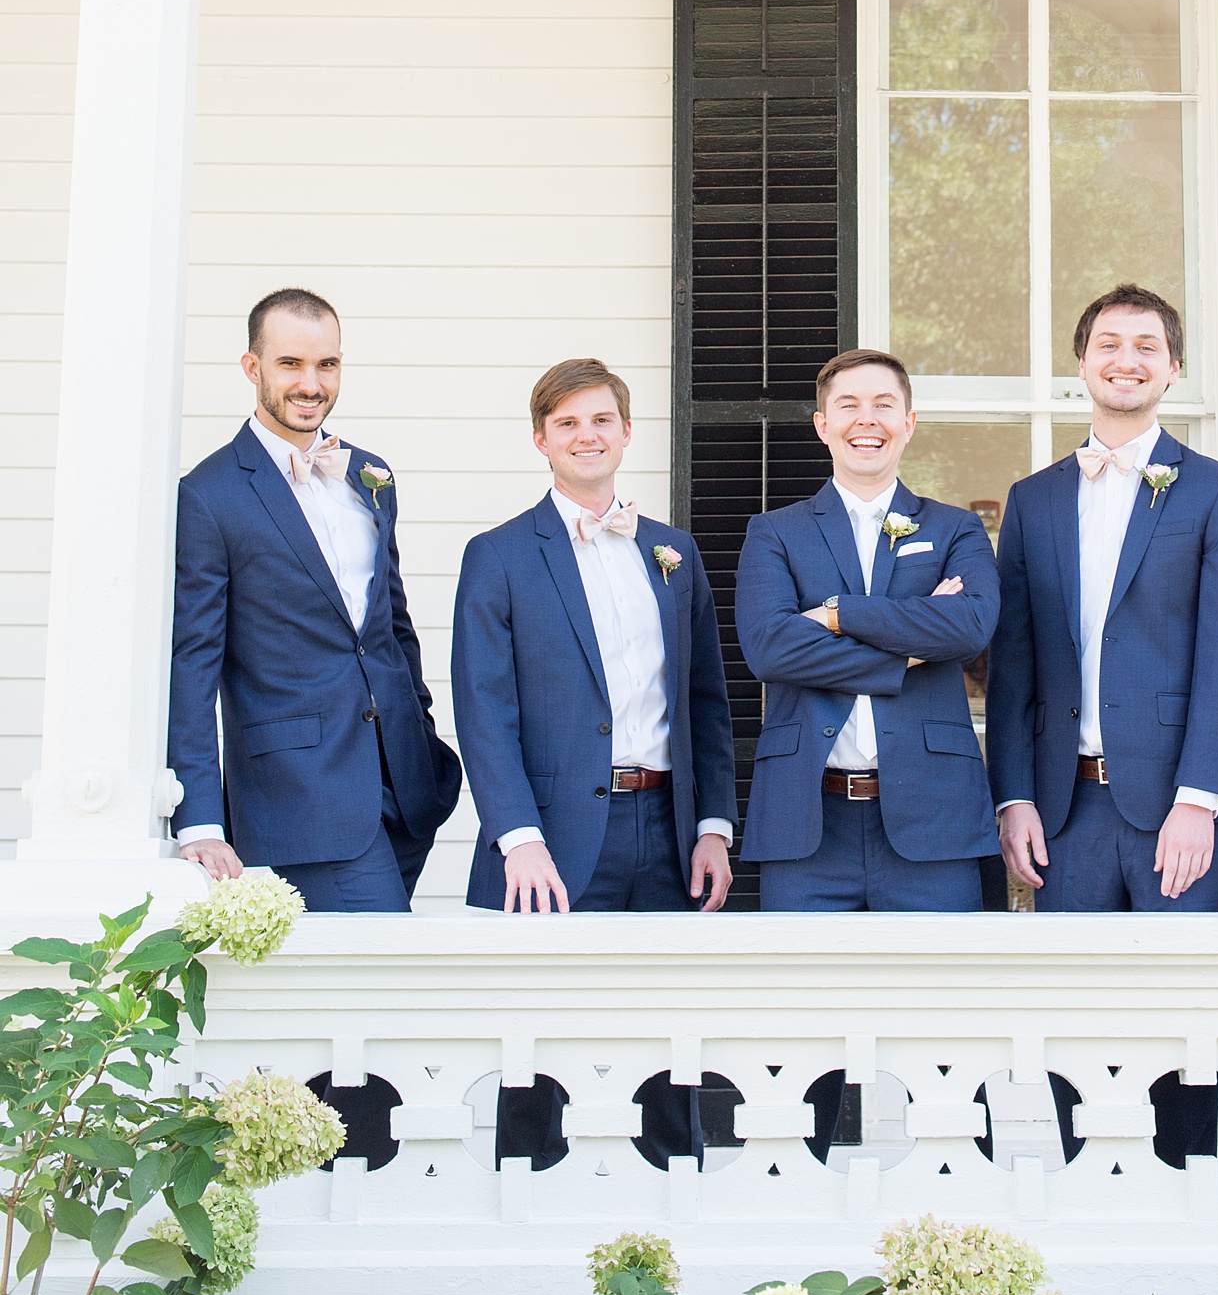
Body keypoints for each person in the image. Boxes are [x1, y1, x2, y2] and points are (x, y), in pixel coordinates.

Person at [169, 288, 462, 911]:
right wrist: (198, 818)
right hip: (300, 794)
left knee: (360, 990)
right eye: (291, 364)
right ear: (253, 368)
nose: (311, 383)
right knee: (381, 974)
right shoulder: (208, 495)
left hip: (405, 782)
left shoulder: (369, 474)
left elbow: (391, 624)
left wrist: (423, 731)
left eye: (326, 365)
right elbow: (191, 662)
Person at [987, 283, 1218, 912]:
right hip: (1063, 810)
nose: (1126, 360)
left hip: (1177, 809)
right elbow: (1014, 664)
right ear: (1082, 362)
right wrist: (1014, 795)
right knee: (1075, 1002)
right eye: (1108, 345)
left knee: (1181, 1000)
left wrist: (1199, 798)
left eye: (1147, 346)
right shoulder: (1033, 500)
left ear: (1173, 369)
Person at [451, 358, 735, 913]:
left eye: (603, 420)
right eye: (567, 423)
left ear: (626, 432)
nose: (588, 435)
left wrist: (713, 826)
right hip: (551, 838)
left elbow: (706, 701)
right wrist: (519, 837)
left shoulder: (675, 552)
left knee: (663, 999)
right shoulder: (497, 557)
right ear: (541, 439)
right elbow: (483, 713)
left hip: (669, 836)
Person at [735, 349, 1000, 911]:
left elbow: (969, 626)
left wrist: (836, 615)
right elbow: (769, 649)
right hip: (807, 825)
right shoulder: (774, 533)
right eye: (848, 405)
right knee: (803, 997)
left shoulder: (954, 528)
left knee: (937, 996)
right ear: (822, 424)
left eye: (884, 405)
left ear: (908, 422)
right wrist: (905, 651)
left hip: (934, 821)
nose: (867, 420)